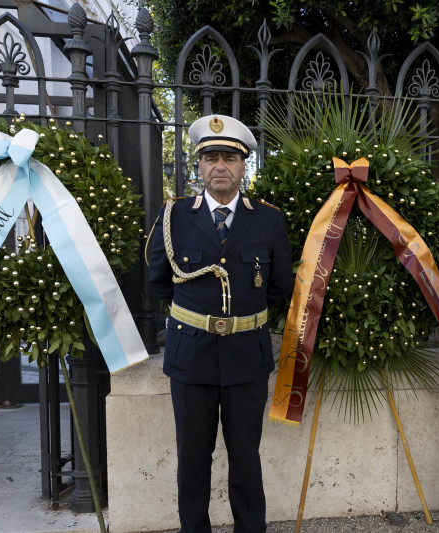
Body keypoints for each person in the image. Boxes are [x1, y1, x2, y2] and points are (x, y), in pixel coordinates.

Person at [146, 114, 293, 533]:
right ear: (199, 166)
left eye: (229, 157)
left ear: (243, 165)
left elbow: (280, 284)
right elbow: (159, 280)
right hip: (191, 356)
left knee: (247, 459)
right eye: (211, 157)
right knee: (192, 460)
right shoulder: (174, 217)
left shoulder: (267, 219)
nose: (220, 166)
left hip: (246, 356)